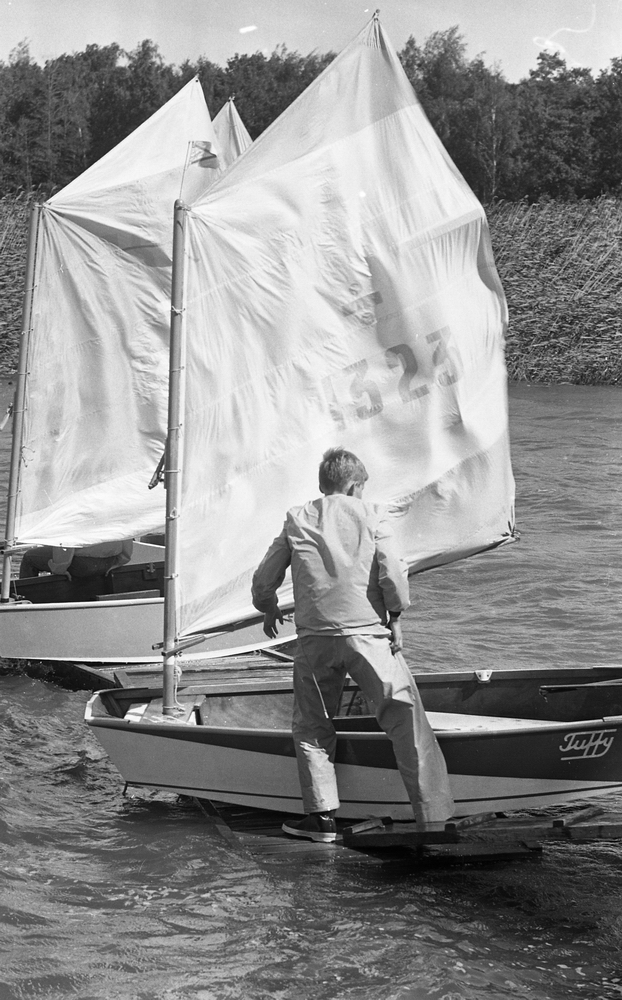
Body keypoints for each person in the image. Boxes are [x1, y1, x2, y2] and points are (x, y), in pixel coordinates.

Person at [251, 447, 454, 843]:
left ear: (324, 485)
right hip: (366, 636)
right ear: (353, 485)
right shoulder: (374, 515)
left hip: (315, 639)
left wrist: (268, 606)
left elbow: (264, 579)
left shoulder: (297, 517)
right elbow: (393, 574)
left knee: (312, 725)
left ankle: (322, 819)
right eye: (361, 487)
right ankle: (432, 817)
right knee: (405, 719)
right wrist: (396, 616)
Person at [19, 539, 134, 580]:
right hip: (108, 563)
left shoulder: (75, 502)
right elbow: (126, 535)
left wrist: (60, 568)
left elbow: (67, 540)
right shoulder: (113, 502)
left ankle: (24, 603)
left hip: (82, 565)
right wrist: (120, 561)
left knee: (29, 557)